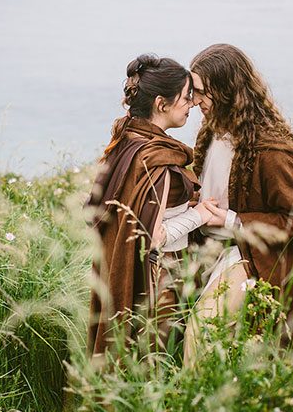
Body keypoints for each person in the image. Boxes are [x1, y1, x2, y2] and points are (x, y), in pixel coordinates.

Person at [184, 43, 293, 367]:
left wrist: (234, 221)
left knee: (200, 331)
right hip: (207, 252)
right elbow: (210, 193)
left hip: (249, 257)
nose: (194, 101)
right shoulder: (213, 131)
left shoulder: (268, 148)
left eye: (201, 92)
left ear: (227, 90)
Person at [86, 53, 223, 364]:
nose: (192, 104)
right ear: (162, 104)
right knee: (155, 362)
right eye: (186, 97)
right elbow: (152, 236)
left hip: (126, 275)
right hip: (159, 282)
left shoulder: (127, 140)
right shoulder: (157, 159)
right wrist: (198, 215)